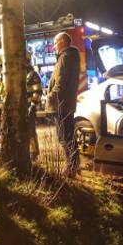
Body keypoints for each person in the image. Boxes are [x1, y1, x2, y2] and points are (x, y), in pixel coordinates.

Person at [48, 32, 82, 176]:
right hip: (67, 103)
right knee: (69, 136)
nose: (54, 46)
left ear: (62, 42)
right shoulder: (70, 57)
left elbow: (60, 83)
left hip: (61, 104)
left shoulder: (65, 58)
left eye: (55, 43)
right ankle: (75, 166)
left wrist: (50, 97)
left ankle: (71, 168)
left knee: (64, 137)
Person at [26, 61, 43, 161]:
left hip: (28, 106)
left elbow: (38, 91)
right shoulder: (17, 73)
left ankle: (34, 152)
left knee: (30, 131)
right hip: (19, 107)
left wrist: (32, 106)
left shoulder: (32, 75)